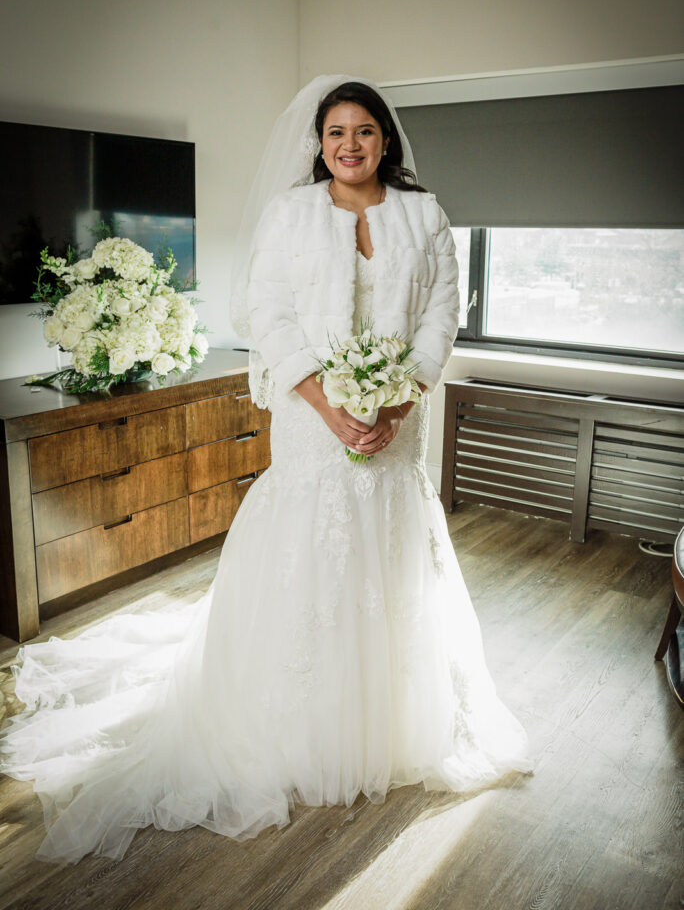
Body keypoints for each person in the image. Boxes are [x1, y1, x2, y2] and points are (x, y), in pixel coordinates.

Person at [0, 74, 533, 865]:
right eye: (335, 134)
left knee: (386, 556)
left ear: (386, 139)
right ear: (319, 145)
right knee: (310, 558)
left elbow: (438, 317)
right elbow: (268, 315)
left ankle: (391, 720)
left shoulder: (427, 217)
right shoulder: (291, 215)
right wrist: (328, 404)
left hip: (395, 428)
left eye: (363, 131)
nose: (349, 145)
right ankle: (293, 722)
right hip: (312, 424)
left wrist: (396, 399)